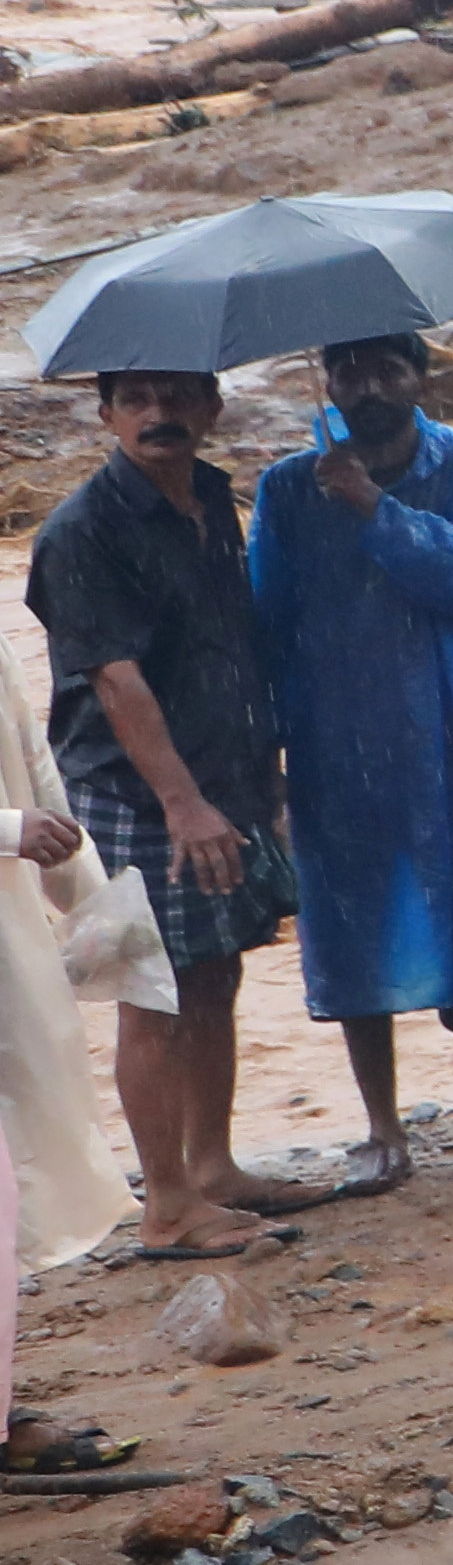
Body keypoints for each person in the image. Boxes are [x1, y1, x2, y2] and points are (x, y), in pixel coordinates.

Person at [246, 332, 453, 1189]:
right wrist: (266, 750)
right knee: (351, 918)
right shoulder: (287, 489)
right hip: (339, 732)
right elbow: (267, 618)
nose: (367, 386)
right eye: (349, 369)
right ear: (327, 378)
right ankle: (381, 1129)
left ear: (423, 375)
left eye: (388, 368)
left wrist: (377, 507)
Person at [25, 368, 304, 1255]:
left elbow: (234, 642)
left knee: (217, 970)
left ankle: (213, 1166)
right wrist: (182, 805)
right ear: (105, 415)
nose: (160, 414)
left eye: (179, 395)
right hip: (133, 792)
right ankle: (168, 1205)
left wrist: (266, 780)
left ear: (213, 407)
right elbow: (114, 677)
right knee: (153, 990)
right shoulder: (83, 531)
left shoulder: (214, 500)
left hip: (223, 774)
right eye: (137, 398)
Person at [0, 602, 116, 1425]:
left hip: (13, 942)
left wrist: (96, 909)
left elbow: (35, 765)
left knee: (16, 1177)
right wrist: (11, 829)